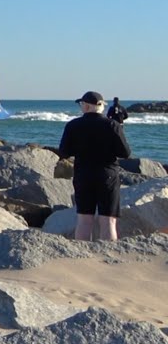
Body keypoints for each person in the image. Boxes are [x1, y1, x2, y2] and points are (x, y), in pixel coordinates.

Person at [58, 91, 131, 242]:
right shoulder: (112, 125)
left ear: (86, 106)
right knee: (108, 220)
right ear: (101, 106)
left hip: (83, 174)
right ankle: (108, 256)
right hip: (107, 175)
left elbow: (64, 152)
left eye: (81, 104)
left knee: (84, 220)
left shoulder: (73, 125)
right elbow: (125, 153)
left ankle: (82, 257)